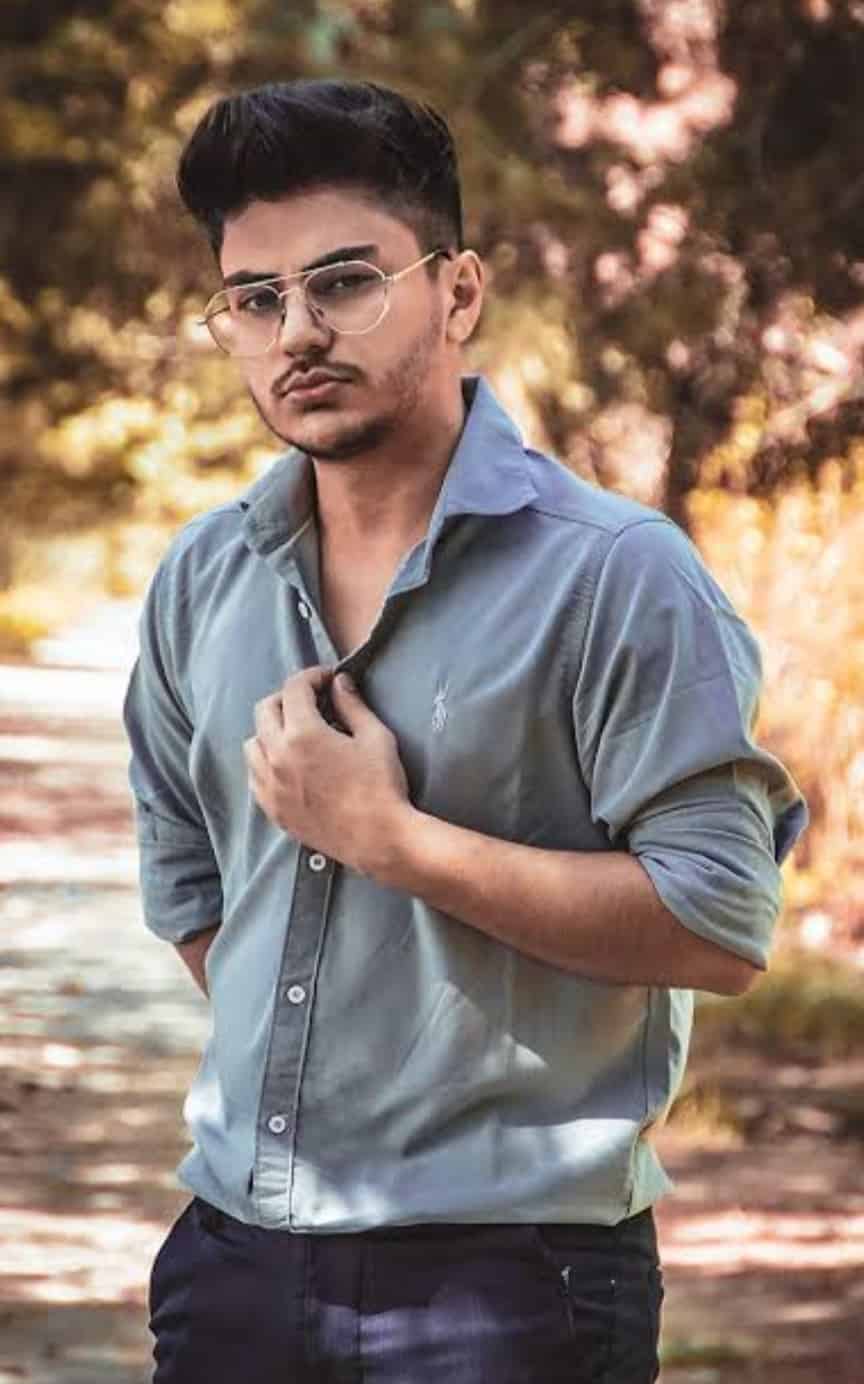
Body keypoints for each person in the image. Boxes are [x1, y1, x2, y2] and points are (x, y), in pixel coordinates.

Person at [123, 78, 809, 1384]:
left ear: (458, 292)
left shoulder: (616, 575)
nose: (297, 332)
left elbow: (719, 922)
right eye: (255, 298)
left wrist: (392, 842)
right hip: (234, 1266)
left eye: (345, 282)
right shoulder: (202, 579)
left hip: (516, 1282)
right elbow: (193, 887)